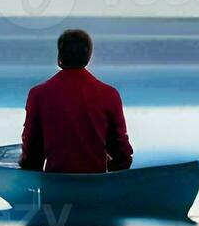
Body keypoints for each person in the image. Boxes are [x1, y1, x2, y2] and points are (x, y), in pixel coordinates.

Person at [20, 29, 133, 173]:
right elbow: (122, 154)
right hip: (95, 186)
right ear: (88, 56)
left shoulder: (39, 94)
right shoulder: (109, 94)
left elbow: (32, 153)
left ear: (60, 54)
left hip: (54, 185)